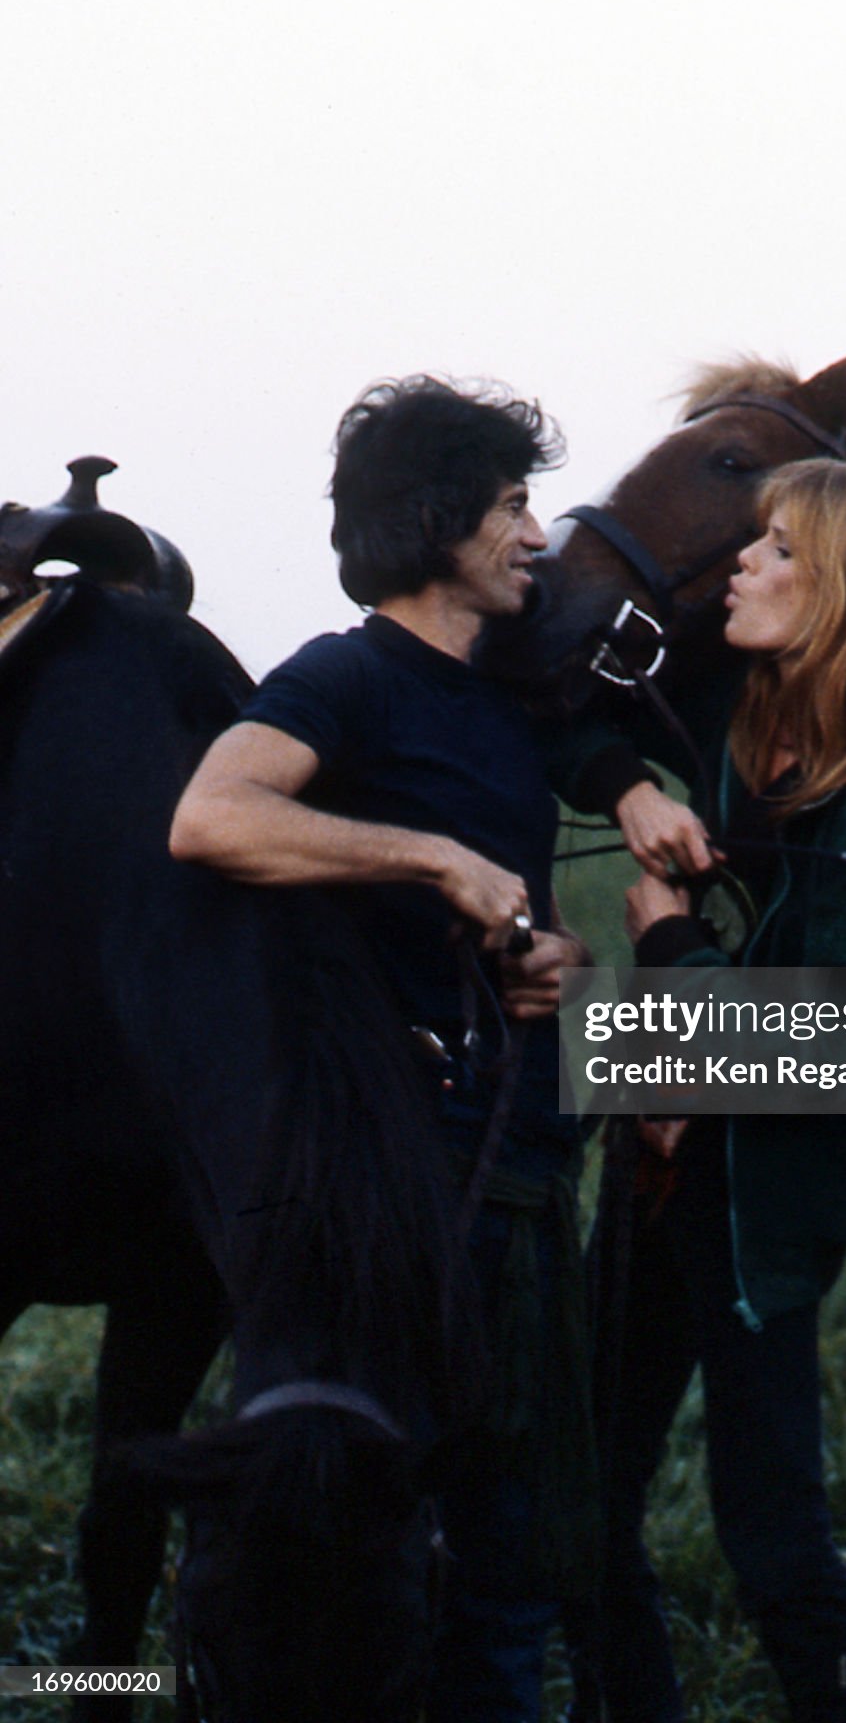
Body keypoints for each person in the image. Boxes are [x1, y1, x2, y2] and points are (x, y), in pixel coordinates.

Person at [170, 376, 591, 1723]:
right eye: (515, 507)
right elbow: (210, 818)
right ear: (438, 523)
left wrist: (547, 956)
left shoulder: (509, 709)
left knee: (514, 1547)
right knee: (369, 1533)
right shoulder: (344, 674)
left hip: (517, 1169)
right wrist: (434, 857)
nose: (538, 534)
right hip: (388, 1184)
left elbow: (514, 922)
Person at [576, 457, 846, 1723]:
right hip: (667, 1169)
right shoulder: (761, 734)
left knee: (771, 1535)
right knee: (579, 1494)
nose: (743, 563)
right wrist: (635, 788)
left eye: (780, 550)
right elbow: (568, 713)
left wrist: (674, 949)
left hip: (747, 1212)